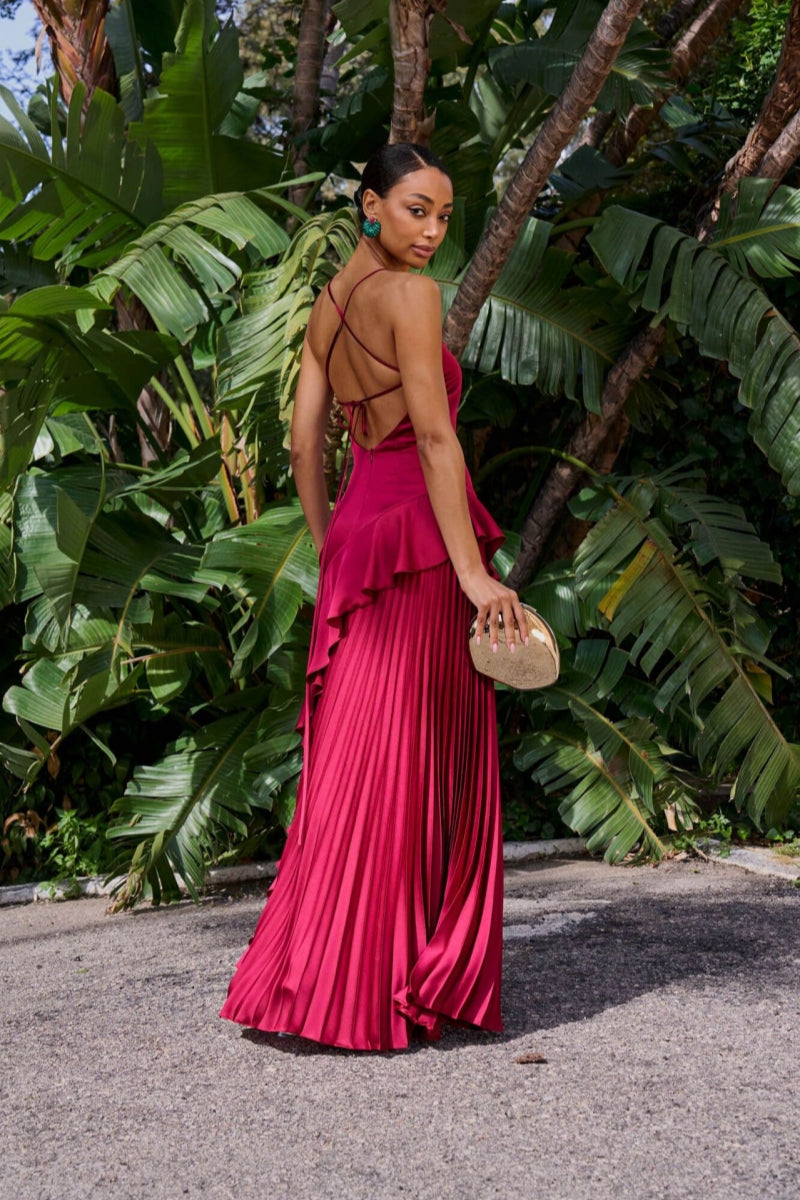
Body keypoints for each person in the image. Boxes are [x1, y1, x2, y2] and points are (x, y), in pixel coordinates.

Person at [220, 143, 528, 1052]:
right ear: (369, 205)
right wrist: (473, 573)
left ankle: (328, 971)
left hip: (360, 536)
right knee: (411, 754)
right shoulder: (411, 296)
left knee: (362, 753)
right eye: (415, 211)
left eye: (443, 217)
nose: (432, 232)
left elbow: (302, 446)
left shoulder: (329, 305)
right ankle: (389, 976)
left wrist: (329, 544)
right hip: (423, 544)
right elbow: (434, 440)